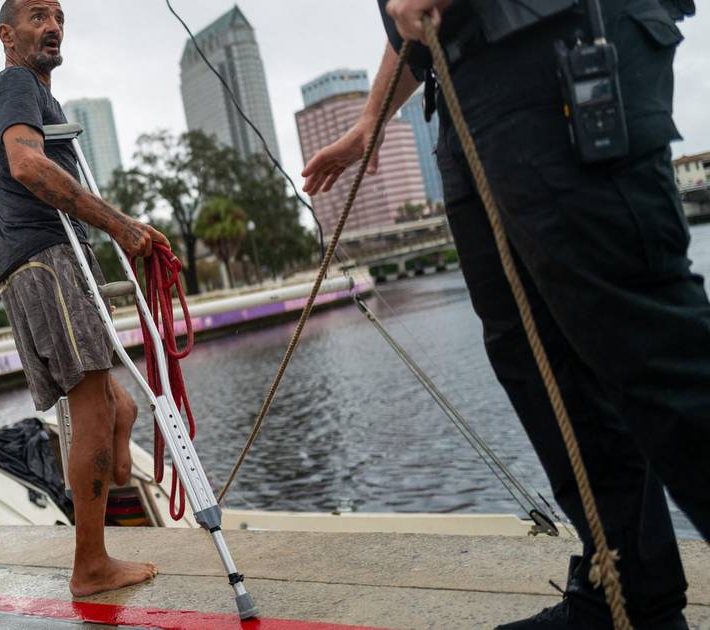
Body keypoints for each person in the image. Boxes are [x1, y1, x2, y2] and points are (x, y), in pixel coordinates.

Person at [303, 1, 707, 628]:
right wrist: (371, 120)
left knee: (645, 343)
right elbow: (411, 18)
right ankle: (630, 594)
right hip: (469, 82)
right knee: (536, 359)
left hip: (558, 42)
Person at [0, 0, 166, 597]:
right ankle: (90, 565)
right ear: (8, 35)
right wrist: (120, 225)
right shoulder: (13, 83)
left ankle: (110, 483)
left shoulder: (41, 96)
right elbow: (27, 165)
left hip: (56, 261)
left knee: (118, 408)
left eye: (59, 15)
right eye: (37, 16)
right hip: (47, 260)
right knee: (90, 406)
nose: (54, 26)